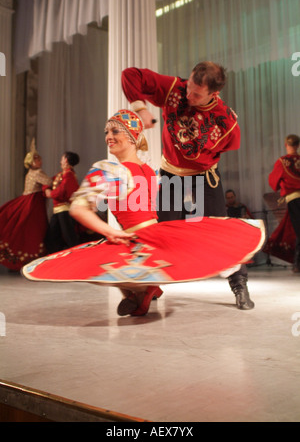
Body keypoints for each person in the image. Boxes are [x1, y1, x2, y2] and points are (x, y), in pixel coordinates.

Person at [22, 110, 265, 317]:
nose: (108, 137)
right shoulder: (148, 171)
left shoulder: (111, 169)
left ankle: (143, 292)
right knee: (123, 268)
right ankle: (146, 290)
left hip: (138, 236)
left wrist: (107, 231)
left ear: (131, 137)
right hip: (155, 233)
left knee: (105, 265)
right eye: (107, 132)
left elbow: (77, 207)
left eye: (115, 131)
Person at [121, 62, 255, 310]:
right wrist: (139, 108)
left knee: (219, 233)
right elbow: (131, 76)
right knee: (161, 234)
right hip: (172, 174)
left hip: (204, 177)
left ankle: (239, 284)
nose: (189, 96)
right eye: (189, 88)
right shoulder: (175, 89)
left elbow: (228, 145)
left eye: (196, 94)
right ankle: (147, 291)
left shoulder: (226, 122)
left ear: (214, 94)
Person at [0, 139, 52, 271]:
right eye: (36, 159)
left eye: (39, 159)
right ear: (31, 163)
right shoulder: (37, 173)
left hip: (29, 201)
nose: (39, 161)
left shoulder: (30, 173)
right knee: (33, 230)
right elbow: (48, 181)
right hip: (32, 204)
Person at [267, 134, 300, 272]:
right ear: (298, 146)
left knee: (297, 230)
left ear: (286, 145)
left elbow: (273, 181)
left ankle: (297, 264)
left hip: (293, 199)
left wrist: (281, 186)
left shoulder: (282, 162)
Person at [44, 151, 80, 253]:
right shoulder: (62, 175)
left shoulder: (69, 175)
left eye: (62, 158)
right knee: (52, 237)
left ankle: (77, 257)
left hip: (65, 211)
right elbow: (47, 182)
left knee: (69, 238)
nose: (60, 161)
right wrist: (46, 188)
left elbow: (61, 192)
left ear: (66, 160)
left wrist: (50, 193)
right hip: (58, 211)